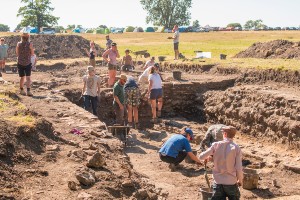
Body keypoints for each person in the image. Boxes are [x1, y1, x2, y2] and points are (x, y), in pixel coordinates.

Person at [199, 126, 243, 200]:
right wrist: (240, 180)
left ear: (225, 134)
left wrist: (210, 157)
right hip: (231, 182)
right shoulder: (236, 148)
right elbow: (238, 168)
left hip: (218, 182)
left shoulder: (216, 145)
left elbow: (201, 157)